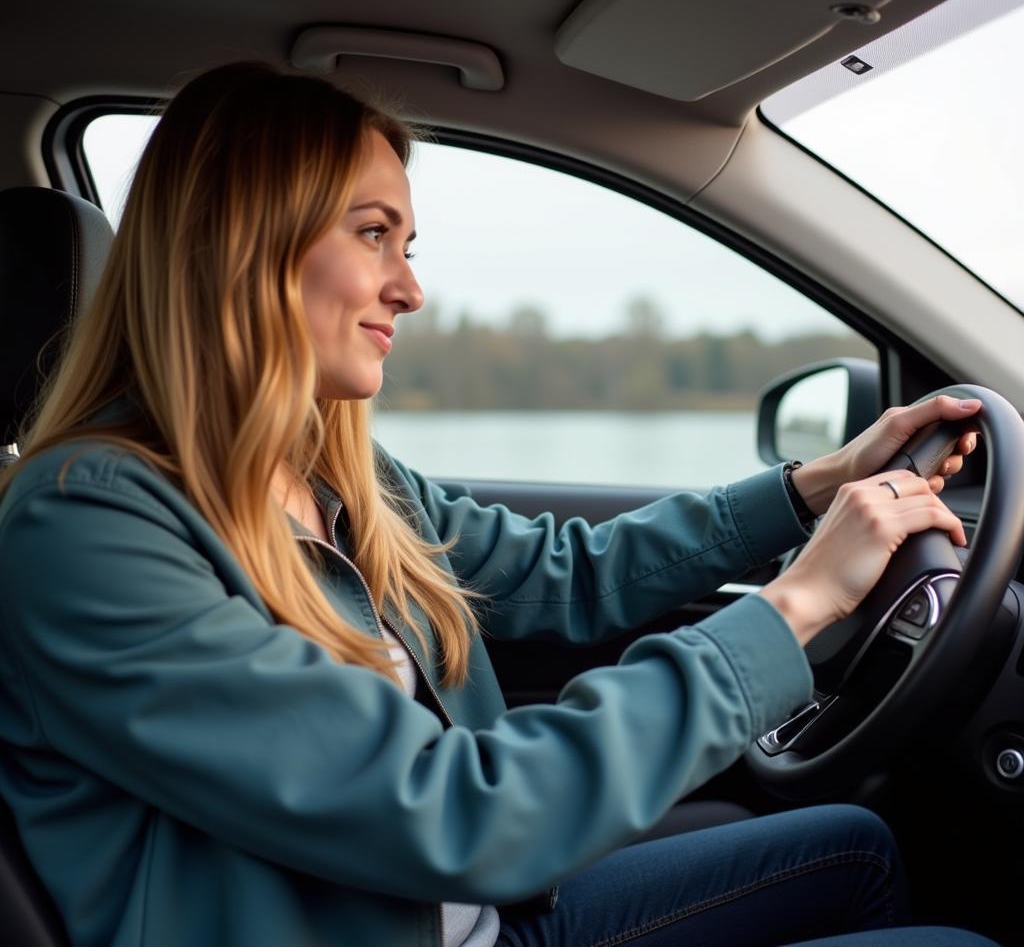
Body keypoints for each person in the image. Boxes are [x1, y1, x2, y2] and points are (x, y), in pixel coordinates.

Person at [0, 62, 998, 947]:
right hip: (443, 891)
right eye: (374, 233)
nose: (410, 289)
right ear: (243, 243)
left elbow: (563, 574)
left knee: (855, 849)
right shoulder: (86, 527)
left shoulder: (336, 471)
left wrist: (809, 488)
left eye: (408, 241)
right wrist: (797, 607)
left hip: (481, 913)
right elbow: (449, 811)